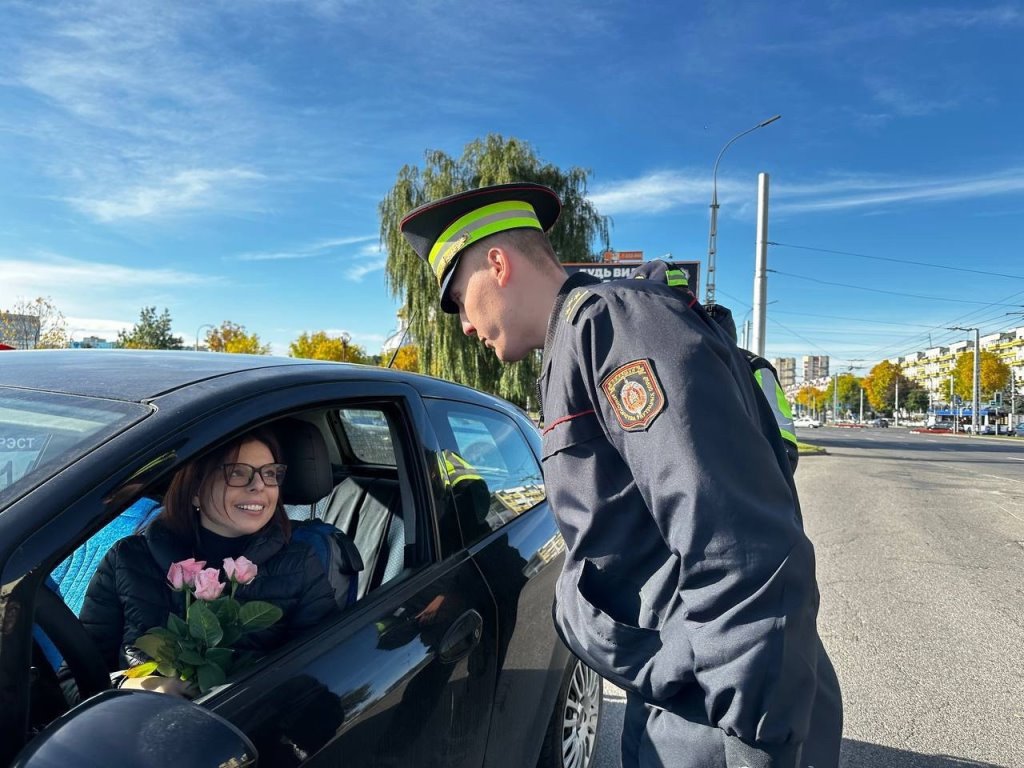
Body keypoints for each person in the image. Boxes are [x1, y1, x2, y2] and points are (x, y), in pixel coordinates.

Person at [401, 183, 842, 768]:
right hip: (686, 692)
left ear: (497, 264)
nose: (462, 326)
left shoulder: (612, 329)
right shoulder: (578, 344)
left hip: (720, 714)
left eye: (458, 298)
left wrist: (754, 737)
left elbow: (734, 542)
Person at [78, 426, 339, 695]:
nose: (259, 485)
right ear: (195, 489)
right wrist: (135, 686)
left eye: (270, 473)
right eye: (237, 472)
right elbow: (74, 681)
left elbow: (324, 678)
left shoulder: (299, 565)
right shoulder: (128, 559)